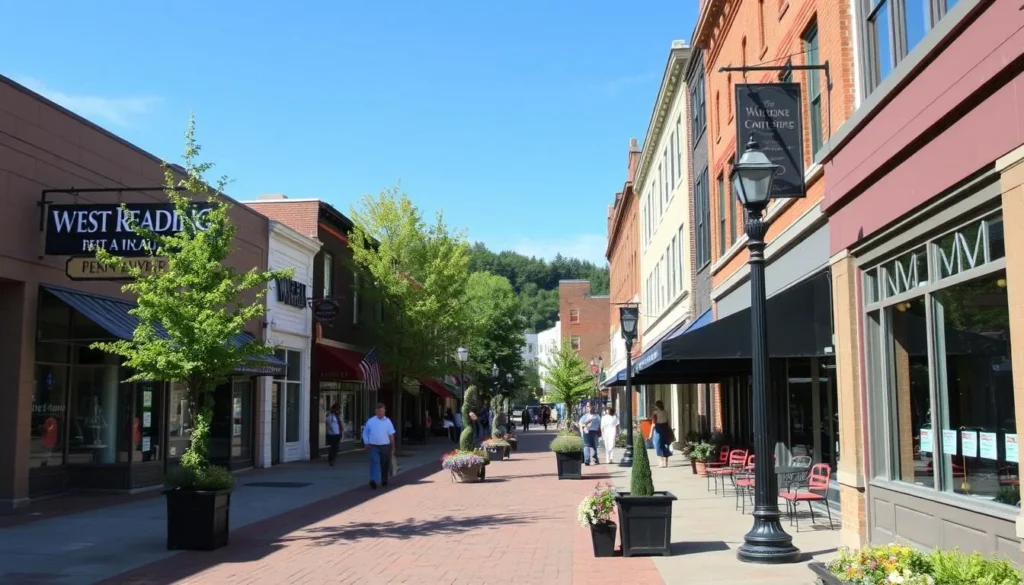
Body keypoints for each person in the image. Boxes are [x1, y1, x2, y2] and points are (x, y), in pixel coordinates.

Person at [362, 402, 396, 489]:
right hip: (373, 446)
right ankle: (373, 480)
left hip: (385, 446)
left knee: (385, 463)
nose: (381, 413)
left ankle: (384, 479)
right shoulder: (371, 421)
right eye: (379, 411)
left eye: (383, 411)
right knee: (375, 462)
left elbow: (391, 435)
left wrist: (393, 446)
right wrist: (366, 442)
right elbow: (365, 432)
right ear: (376, 411)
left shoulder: (388, 421)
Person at [649, 400, 673, 468]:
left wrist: (650, 434)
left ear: (656, 406)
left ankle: (661, 462)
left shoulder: (655, 413)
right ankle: (666, 462)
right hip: (665, 428)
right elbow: (668, 421)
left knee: (658, 445)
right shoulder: (665, 412)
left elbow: (653, 424)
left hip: (658, 429)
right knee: (666, 445)